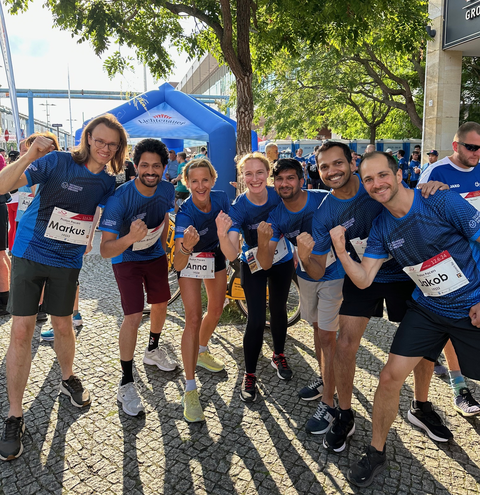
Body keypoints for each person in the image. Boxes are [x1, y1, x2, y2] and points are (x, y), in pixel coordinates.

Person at [331, 151, 480, 487]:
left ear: (399, 175)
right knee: (388, 377)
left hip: (471, 305)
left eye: (382, 175)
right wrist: (341, 251)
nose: (376, 184)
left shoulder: (440, 200)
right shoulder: (383, 228)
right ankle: (376, 451)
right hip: (428, 309)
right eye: (368, 179)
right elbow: (365, 279)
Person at [299, 141, 450, 454]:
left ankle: (420, 406)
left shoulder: (377, 185)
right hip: (362, 276)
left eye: (337, 163)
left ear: (352, 162)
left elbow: (415, 197)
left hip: (406, 272)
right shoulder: (326, 211)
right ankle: (344, 413)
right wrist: (304, 257)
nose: (331, 171)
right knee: (344, 345)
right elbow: (315, 270)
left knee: (424, 344)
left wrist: (433, 186)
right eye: (324, 167)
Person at [0, 114, 127, 461]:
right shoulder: (56, 161)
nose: (105, 148)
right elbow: (2, 186)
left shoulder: (109, 181)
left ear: (119, 149)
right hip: (29, 250)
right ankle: (14, 415)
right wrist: (27, 157)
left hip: (67, 260)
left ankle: (67, 378)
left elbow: (102, 212)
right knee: (22, 330)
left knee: (62, 325)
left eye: (112, 144)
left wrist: (91, 234)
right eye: (100, 140)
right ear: (87, 138)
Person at [256, 158, 345, 434]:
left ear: (302, 180)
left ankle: (330, 404)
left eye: (290, 178)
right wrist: (262, 241)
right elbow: (266, 263)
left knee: (329, 336)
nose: (285, 184)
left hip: (335, 275)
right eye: (279, 179)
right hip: (307, 276)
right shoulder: (277, 217)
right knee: (318, 331)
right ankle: (324, 379)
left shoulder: (323, 199)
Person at [99, 138, 178, 417]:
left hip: (155, 255)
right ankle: (126, 380)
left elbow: (166, 216)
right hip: (126, 258)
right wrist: (131, 237)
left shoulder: (168, 190)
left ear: (164, 168)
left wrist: (164, 242)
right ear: (135, 166)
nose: (150, 170)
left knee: (161, 303)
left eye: (156, 166)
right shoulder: (119, 198)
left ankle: (153, 350)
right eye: (144, 165)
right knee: (133, 315)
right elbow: (105, 249)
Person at [215, 153, 294, 402]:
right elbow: (230, 252)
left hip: (281, 260)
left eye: (259, 172)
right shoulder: (239, 206)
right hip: (253, 264)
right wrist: (221, 233)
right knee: (256, 319)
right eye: (248, 173)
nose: (254, 178)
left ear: (268, 173)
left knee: (279, 310)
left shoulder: (278, 196)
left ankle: (278, 354)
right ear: (242, 177)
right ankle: (249, 374)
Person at [418, 121, 480, 417]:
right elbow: (418, 218)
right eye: (472, 147)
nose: (477, 153)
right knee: (454, 324)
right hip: (451, 262)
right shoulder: (436, 172)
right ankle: (459, 388)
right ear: (456, 146)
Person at [174, 158, 229, 423]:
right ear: (186, 183)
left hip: (215, 256)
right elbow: (177, 263)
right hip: (190, 259)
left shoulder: (222, 198)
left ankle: (202, 350)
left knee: (217, 309)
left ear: (213, 180)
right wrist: (186, 246)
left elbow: (232, 230)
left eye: (205, 179)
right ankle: (190, 387)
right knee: (193, 318)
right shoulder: (185, 213)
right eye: (194, 181)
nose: (200, 185)